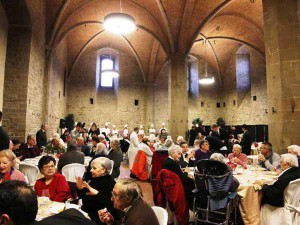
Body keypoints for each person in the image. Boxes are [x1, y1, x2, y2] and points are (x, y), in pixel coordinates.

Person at [76, 157, 117, 224]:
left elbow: (111, 206)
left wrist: (97, 194)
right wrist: (80, 188)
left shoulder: (111, 184)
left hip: (96, 219)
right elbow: (82, 196)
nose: (91, 170)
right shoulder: (95, 180)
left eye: (94, 168)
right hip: (85, 213)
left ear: (103, 170)